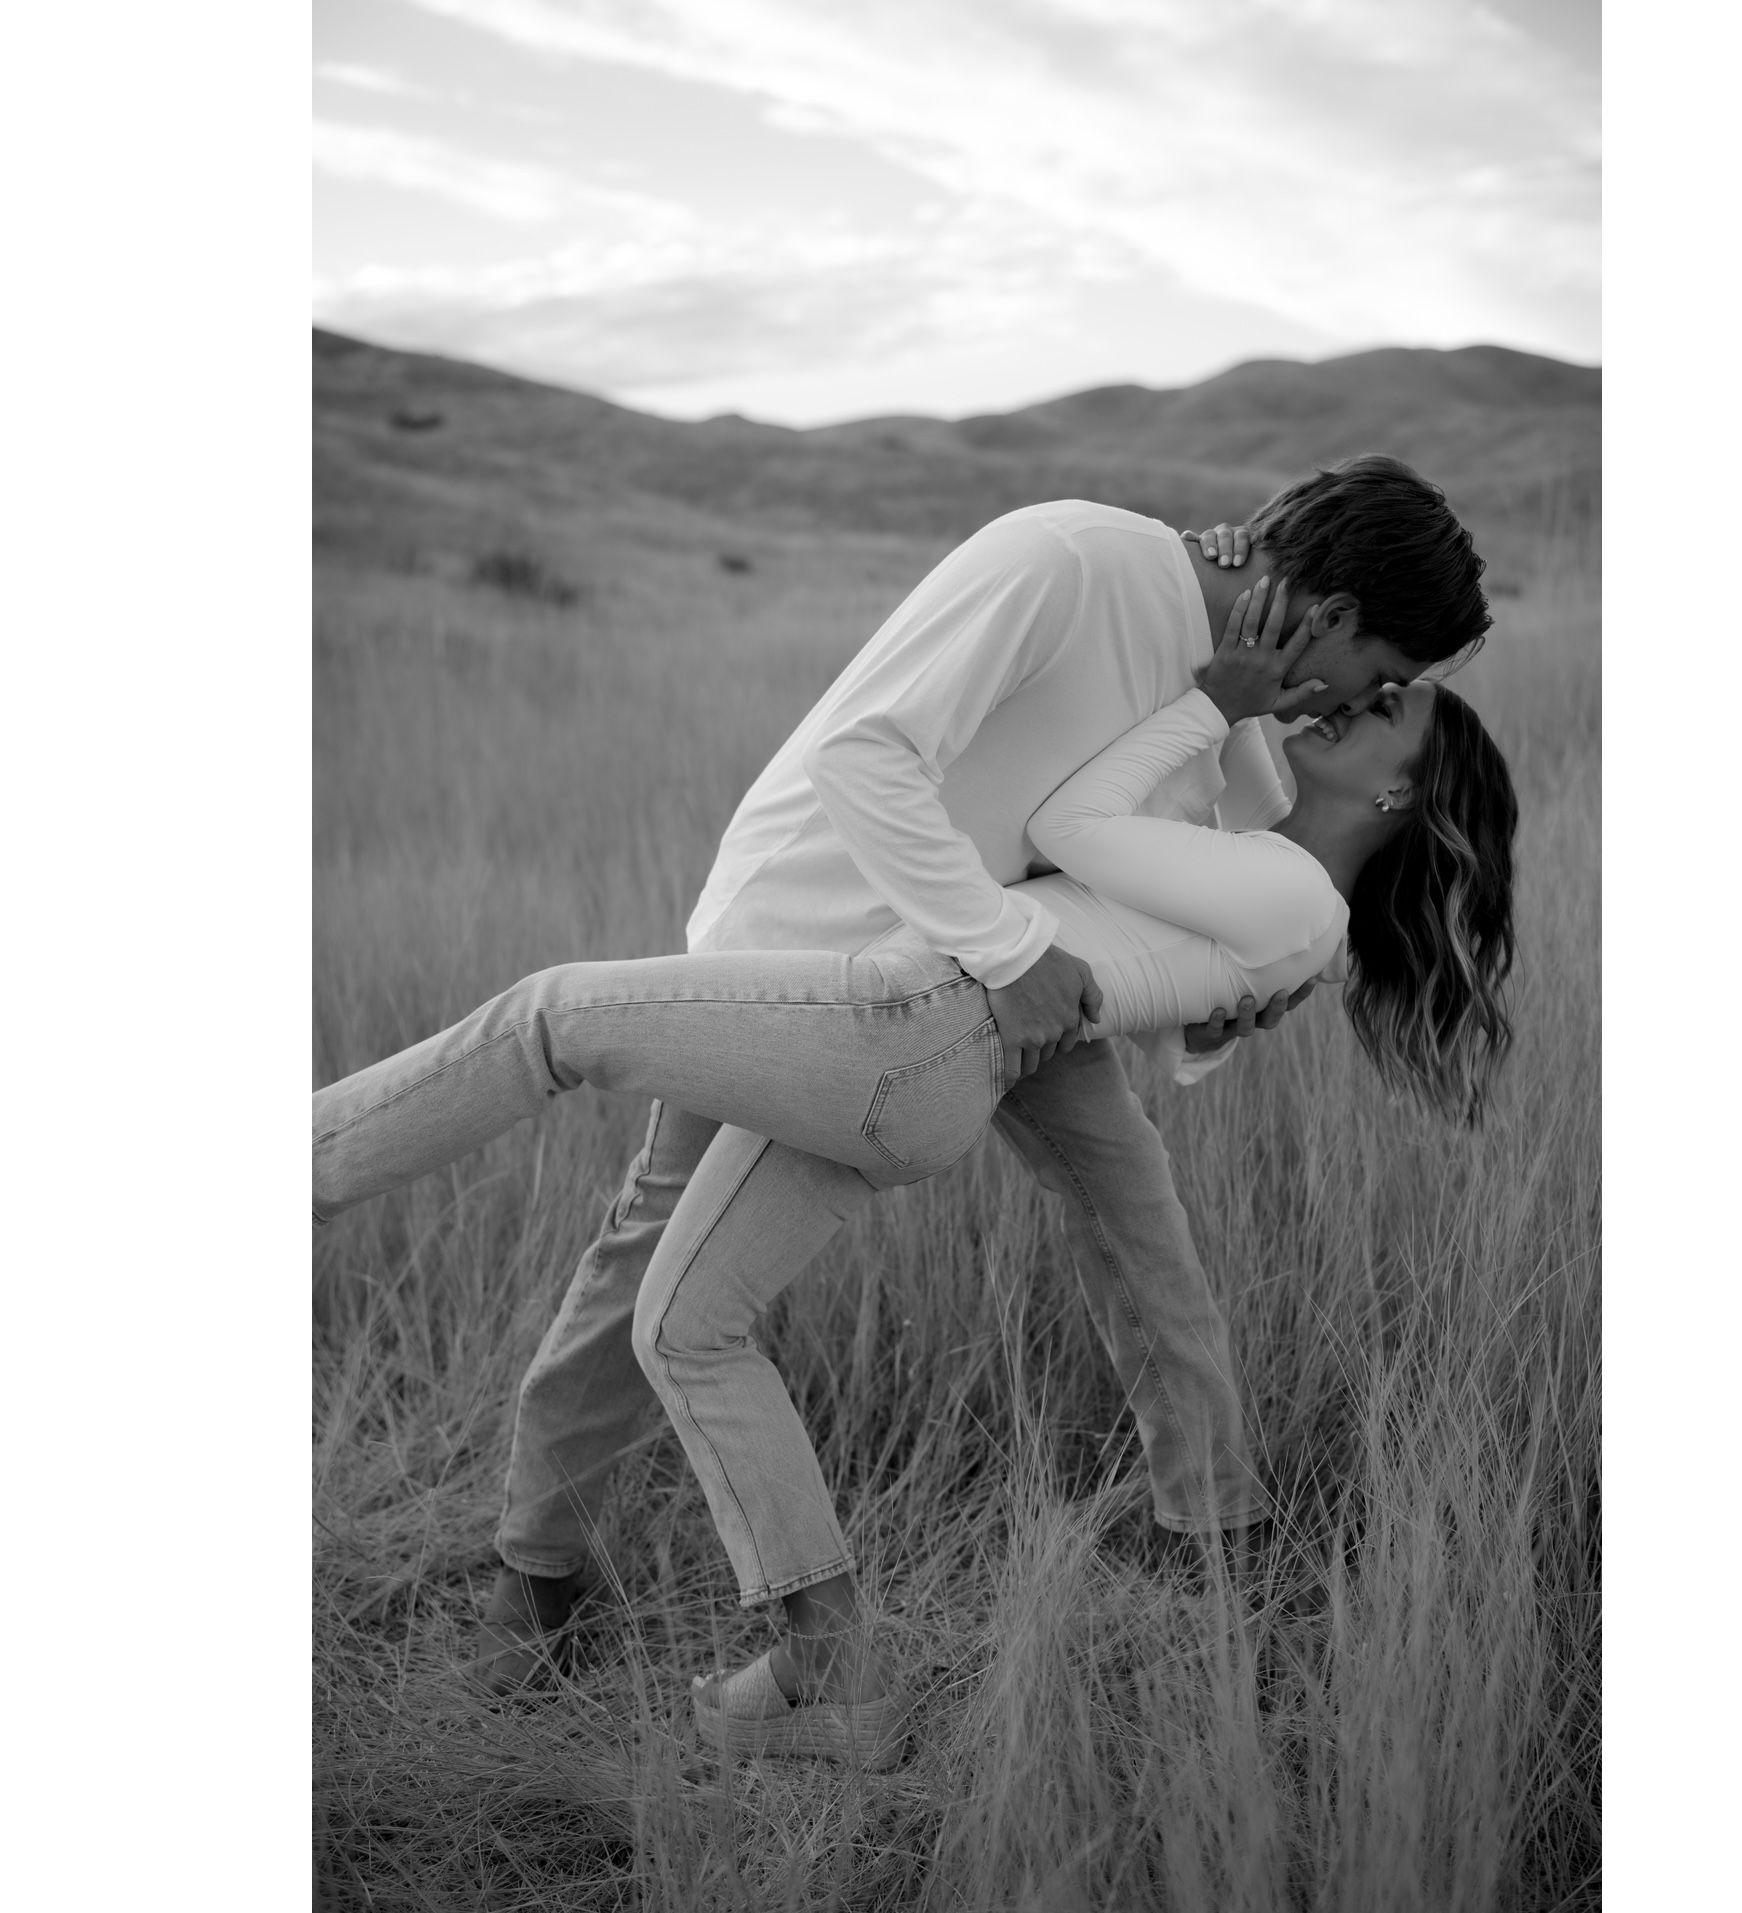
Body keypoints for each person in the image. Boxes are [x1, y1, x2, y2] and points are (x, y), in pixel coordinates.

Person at [319, 453, 1496, 1751]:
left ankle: (1213, 1545)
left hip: (997, 980)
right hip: (829, 943)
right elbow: (863, 756)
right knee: (655, 1258)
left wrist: (1222, 996)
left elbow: (1172, 893)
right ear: (1331, 610)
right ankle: (539, 1572)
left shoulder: (1253, 708)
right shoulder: (1066, 563)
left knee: (1136, 1215)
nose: (1364, 698)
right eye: (1381, 668)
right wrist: (1016, 948)